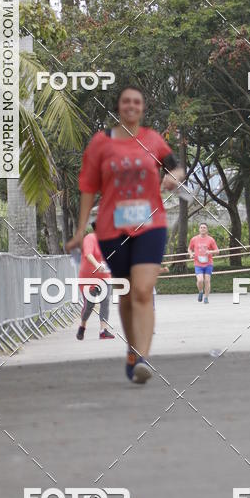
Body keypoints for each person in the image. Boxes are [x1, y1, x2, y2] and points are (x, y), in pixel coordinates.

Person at [65, 85, 184, 384]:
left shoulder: (153, 139)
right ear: (118, 107)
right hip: (111, 228)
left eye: (137, 101)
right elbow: (88, 188)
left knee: (143, 291)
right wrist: (81, 230)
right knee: (128, 293)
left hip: (151, 224)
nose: (131, 106)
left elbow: (176, 168)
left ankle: (142, 357)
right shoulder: (100, 144)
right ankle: (132, 350)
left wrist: (172, 178)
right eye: (126, 101)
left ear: (143, 108)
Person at [76, 222, 114, 340]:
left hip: (104, 276)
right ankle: (82, 326)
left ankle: (103, 330)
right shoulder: (90, 238)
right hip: (88, 278)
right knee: (89, 306)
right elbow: (88, 254)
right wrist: (97, 264)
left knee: (105, 301)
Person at [188, 222, 219, 303]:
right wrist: (191, 254)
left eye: (204, 227)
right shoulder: (194, 239)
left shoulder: (211, 239)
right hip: (198, 264)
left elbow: (217, 251)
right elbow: (189, 249)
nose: (202, 229)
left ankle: (206, 298)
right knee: (200, 280)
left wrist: (210, 252)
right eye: (201, 227)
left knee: (207, 281)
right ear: (199, 229)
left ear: (207, 229)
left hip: (208, 263)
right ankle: (200, 291)